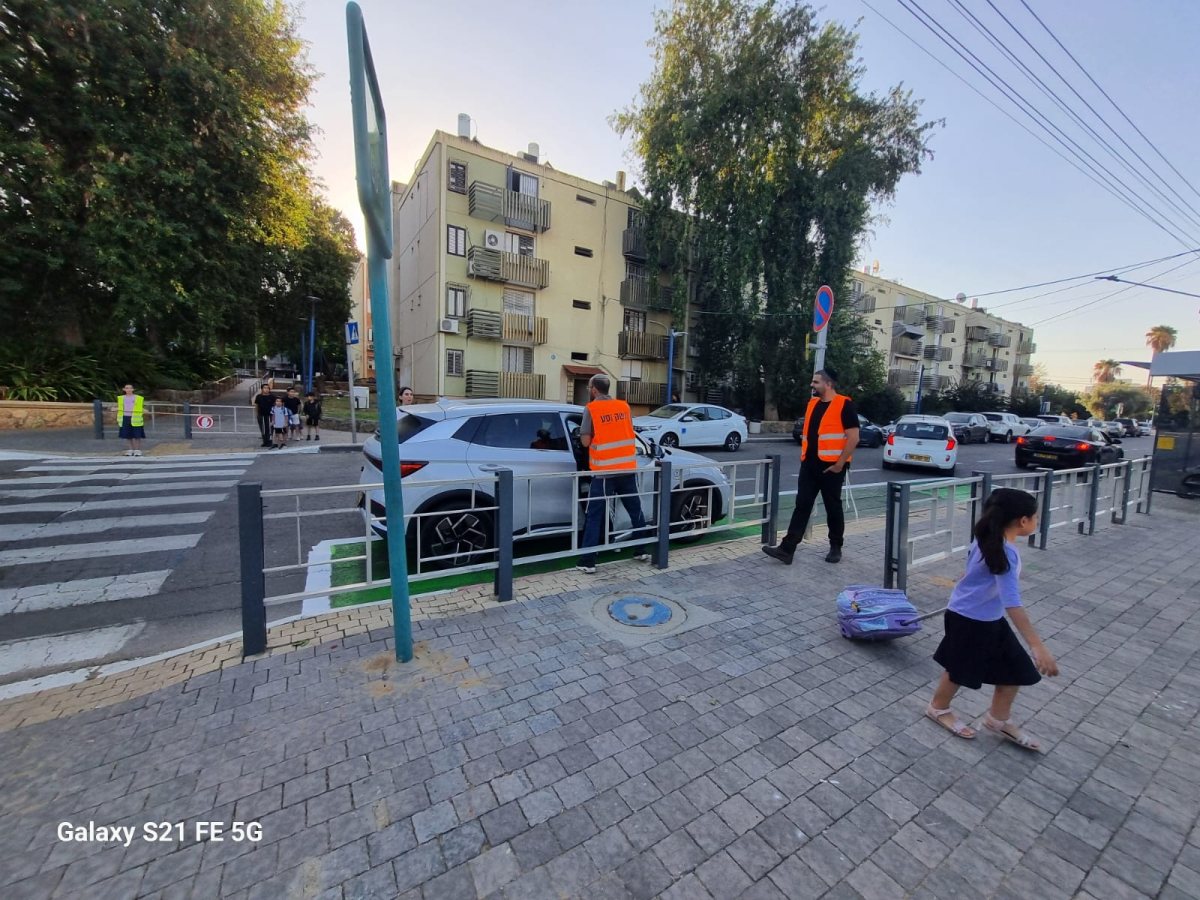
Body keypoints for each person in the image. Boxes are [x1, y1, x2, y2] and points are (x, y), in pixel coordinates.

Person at [925, 488, 1058, 750]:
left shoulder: (991, 539)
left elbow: (975, 573)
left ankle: (998, 720)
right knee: (960, 669)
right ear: (1023, 521)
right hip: (968, 618)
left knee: (1016, 669)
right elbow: (1012, 602)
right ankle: (938, 708)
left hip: (989, 618)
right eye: (1035, 517)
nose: (1037, 521)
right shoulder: (1003, 550)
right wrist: (1037, 645)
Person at [762, 366, 859, 565]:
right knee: (802, 505)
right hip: (809, 465)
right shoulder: (813, 404)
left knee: (833, 507)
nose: (811, 385)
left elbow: (853, 437)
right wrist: (805, 460)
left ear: (828, 384)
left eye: (815, 382)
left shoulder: (844, 404)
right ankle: (787, 550)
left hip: (832, 467)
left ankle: (836, 546)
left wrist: (840, 464)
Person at [577, 374, 650, 574]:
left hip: (604, 473)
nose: (588, 390)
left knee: (594, 516)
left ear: (594, 390)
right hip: (626, 469)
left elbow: (585, 442)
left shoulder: (591, 409)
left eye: (589, 387)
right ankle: (641, 550)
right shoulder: (624, 407)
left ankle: (588, 561)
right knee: (635, 510)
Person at [117, 384, 146, 457]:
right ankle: (130, 449)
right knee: (128, 435)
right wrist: (115, 408)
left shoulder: (138, 398)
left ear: (133, 389)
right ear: (124, 389)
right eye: (127, 388)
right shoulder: (121, 398)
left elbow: (140, 407)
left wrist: (144, 410)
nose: (129, 390)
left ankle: (137, 450)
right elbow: (120, 407)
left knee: (137, 435)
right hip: (125, 417)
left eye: (130, 388)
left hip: (136, 418)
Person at [253, 384, 275, 448]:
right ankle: (265, 441)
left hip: (270, 415)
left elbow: (275, 405)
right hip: (261, 415)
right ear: (262, 389)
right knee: (263, 428)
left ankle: (270, 441)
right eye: (265, 388)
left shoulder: (272, 397)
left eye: (267, 388)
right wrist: (257, 413)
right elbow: (256, 405)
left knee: (269, 428)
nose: (266, 389)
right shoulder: (259, 396)